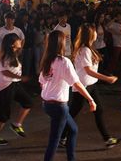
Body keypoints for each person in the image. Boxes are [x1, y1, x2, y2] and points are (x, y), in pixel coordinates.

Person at [59, 24, 120, 148]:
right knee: (73, 112)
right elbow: (88, 70)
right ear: (91, 35)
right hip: (83, 86)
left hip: (90, 85)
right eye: (95, 31)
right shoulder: (84, 50)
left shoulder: (86, 48)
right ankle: (61, 137)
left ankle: (107, 139)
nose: (97, 33)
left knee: (97, 110)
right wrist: (107, 78)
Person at [39, 30, 97, 161]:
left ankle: (71, 158)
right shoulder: (64, 62)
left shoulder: (47, 61)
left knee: (73, 130)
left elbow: (41, 83)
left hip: (47, 104)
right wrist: (90, 99)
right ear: (61, 43)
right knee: (54, 139)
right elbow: (76, 83)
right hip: (59, 106)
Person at [0, 33, 32, 146]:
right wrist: (21, 77)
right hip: (5, 86)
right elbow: (5, 71)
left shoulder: (13, 54)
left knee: (28, 102)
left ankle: (17, 124)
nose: (20, 41)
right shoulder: (6, 56)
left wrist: (19, 79)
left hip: (14, 84)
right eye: (18, 40)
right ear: (12, 44)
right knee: (4, 114)